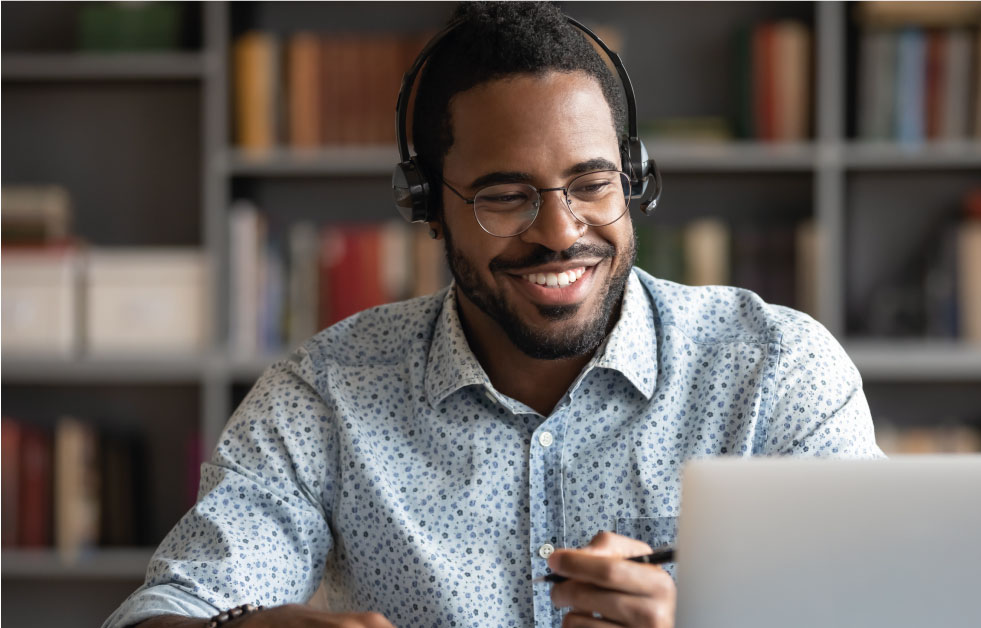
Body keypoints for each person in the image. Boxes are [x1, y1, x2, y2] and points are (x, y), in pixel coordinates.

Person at [104, 3, 882, 627]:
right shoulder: (327, 394)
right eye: (504, 196)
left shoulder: (776, 370)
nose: (559, 232)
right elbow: (168, 607)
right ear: (428, 209)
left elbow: (884, 605)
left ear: (635, 181)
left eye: (592, 184)